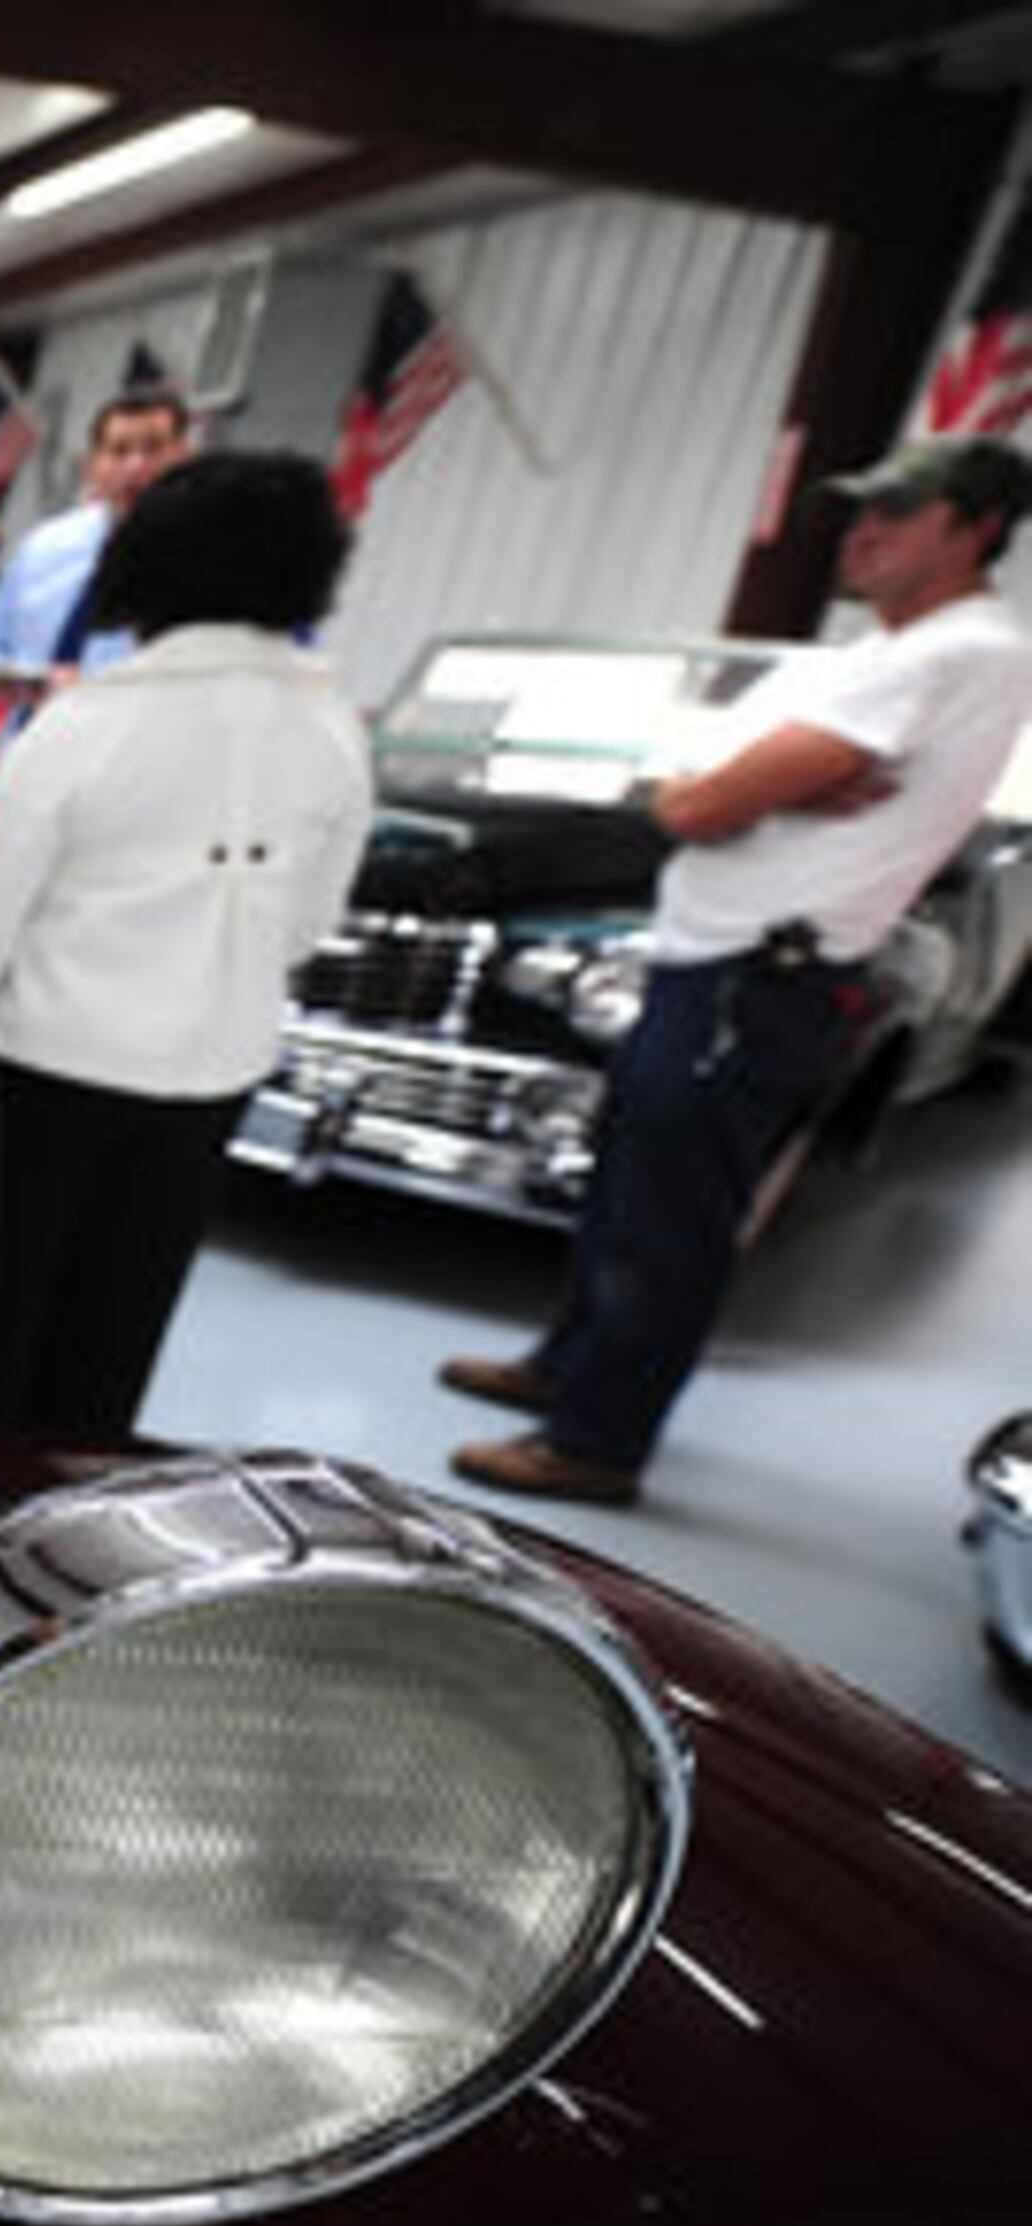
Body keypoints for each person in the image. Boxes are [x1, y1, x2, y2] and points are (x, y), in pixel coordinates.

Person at [444, 435, 1032, 1506]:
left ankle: (597, 1442)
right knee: (629, 1185)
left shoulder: (948, 654)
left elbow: (697, 804)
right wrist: (739, 784)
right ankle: (568, 1367)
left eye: (898, 513)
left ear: (977, 529)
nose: (864, 533)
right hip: (721, 958)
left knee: (672, 1213)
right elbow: (707, 781)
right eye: (861, 510)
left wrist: (715, 789)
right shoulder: (890, 651)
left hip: (757, 971)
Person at [0, 451, 370, 1440]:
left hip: (46, 1064)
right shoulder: (333, 728)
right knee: (115, 1337)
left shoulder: (89, 720)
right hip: (215, 1070)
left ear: (145, 565)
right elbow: (310, 925)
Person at [0, 387, 190, 679]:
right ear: (92, 467)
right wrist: (21, 682)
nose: (136, 467)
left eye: (153, 449)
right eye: (119, 451)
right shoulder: (42, 546)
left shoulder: (205, 560)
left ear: (185, 458)